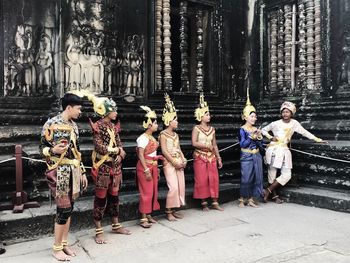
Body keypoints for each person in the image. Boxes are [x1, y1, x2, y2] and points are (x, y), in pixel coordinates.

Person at [40, 92, 88, 261]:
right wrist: (52, 150)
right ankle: (56, 248)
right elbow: (42, 148)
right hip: (58, 171)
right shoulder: (51, 123)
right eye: (78, 108)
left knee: (70, 208)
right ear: (69, 107)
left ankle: (64, 243)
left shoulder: (74, 126)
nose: (80, 112)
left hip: (73, 170)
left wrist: (82, 171)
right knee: (63, 208)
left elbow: (78, 151)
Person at [88, 94, 131, 245]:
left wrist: (120, 152)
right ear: (106, 111)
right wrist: (117, 151)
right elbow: (99, 147)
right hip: (103, 167)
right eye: (114, 110)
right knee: (100, 198)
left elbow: (119, 144)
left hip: (116, 167)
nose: (116, 113)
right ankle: (99, 231)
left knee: (114, 197)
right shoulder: (98, 126)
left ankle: (115, 224)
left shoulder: (113, 127)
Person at [261, 101, 325, 203]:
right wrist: (271, 137)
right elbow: (263, 130)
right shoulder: (275, 123)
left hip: (284, 151)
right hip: (273, 150)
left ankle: (268, 190)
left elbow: (305, 132)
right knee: (272, 174)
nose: (285, 114)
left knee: (287, 175)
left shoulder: (294, 123)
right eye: (283, 112)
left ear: (292, 113)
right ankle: (274, 196)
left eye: (287, 112)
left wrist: (318, 139)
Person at [192, 93, 223, 211]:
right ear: (201, 116)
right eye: (207, 114)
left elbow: (214, 144)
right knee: (201, 179)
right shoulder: (196, 128)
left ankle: (215, 201)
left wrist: (219, 157)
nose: (209, 116)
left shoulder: (212, 129)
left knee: (214, 179)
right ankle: (204, 202)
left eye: (209, 114)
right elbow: (194, 143)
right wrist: (205, 145)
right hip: (200, 156)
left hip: (211, 157)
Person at [159, 93, 186, 221]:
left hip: (178, 161)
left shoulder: (176, 135)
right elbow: (164, 151)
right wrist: (174, 161)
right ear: (169, 120)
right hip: (169, 162)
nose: (177, 122)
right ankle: (168, 211)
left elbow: (179, 148)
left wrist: (184, 158)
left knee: (180, 185)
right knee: (173, 186)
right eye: (175, 119)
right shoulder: (163, 134)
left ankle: (174, 209)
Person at [136, 106, 163, 228]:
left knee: (152, 191)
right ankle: (143, 217)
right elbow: (141, 155)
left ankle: (148, 214)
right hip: (144, 167)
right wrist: (146, 169)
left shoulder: (152, 138)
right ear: (149, 124)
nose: (157, 125)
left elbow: (154, 154)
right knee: (146, 192)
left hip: (152, 165)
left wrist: (156, 167)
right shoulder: (142, 138)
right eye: (155, 123)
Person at [238, 89, 263, 208]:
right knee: (246, 178)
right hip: (246, 155)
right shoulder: (242, 129)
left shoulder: (256, 129)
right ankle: (242, 198)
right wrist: (251, 138)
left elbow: (260, 144)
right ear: (246, 117)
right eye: (252, 116)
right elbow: (242, 144)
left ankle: (253, 199)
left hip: (256, 155)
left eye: (255, 116)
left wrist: (259, 139)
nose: (254, 118)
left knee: (258, 177)